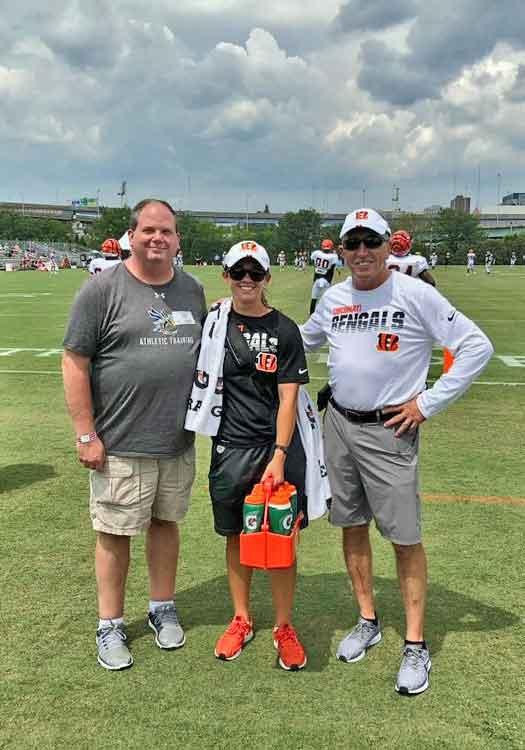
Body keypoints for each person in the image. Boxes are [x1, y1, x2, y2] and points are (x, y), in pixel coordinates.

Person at [301, 207, 493, 695]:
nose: (362, 252)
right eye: (353, 243)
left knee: (404, 538)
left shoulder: (415, 294)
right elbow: (299, 343)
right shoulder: (335, 298)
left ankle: (414, 644)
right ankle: (367, 618)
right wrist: (243, 312)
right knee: (350, 526)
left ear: (389, 246)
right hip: (338, 424)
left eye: (371, 242)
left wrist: (426, 403)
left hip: (391, 431)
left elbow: (476, 347)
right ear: (341, 251)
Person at [62, 199, 207, 671]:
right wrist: (86, 434)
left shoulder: (193, 290)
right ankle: (110, 624)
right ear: (132, 235)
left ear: (177, 239)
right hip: (119, 442)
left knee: (166, 525)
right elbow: (75, 361)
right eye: (148, 230)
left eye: (166, 231)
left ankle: (162, 607)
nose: (157, 239)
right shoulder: (101, 290)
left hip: (176, 441)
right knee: (114, 533)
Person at [186, 240, 313, 671]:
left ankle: (283, 626)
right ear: (226, 276)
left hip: (274, 450)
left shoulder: (285, 329)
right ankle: (241, 618)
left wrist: (279, 454)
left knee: (280, 539)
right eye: (238, 272)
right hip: (229, 449)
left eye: (254, 273)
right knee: (236, 536)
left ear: (266, 279)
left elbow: (288, 399)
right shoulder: (213, 323)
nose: (246, 280)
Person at [309, 239, 340, 313]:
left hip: (317, 278)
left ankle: (311, 313)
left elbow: (312, 261)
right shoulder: (333, 256)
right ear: (331, 247)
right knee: (327, 298)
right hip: (326, 279)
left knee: (314, 298)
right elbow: (334, 267)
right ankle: (326, 313)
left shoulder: (316, 253)